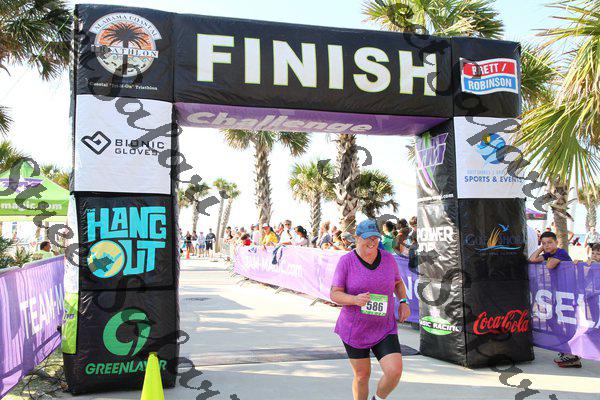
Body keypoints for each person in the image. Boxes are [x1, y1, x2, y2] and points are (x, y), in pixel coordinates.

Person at [330, 219, 410, 400]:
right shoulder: (346, 261)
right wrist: (354, 299)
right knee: (362, 375)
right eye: (367, 237)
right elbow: (335, 294)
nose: (372, 241)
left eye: (375, 237)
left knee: (394, 371)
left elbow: (398, 283)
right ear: (357, 238)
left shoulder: (388, 258)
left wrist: (403, 302)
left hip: (384, 327)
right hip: (355, 329)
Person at [529, 231, 581, 368]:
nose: (547, 245)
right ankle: (566, 349)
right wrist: (542, 248)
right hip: (559, 293)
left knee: (567, 323)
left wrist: (546, 252)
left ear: (556, 242)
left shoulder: (561, 252)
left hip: (568, 293)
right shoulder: (548, 253)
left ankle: (573, 354)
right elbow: (532, 259)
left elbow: (549, 266)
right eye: (544, 243)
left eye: (549, 243)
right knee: (552, 319)